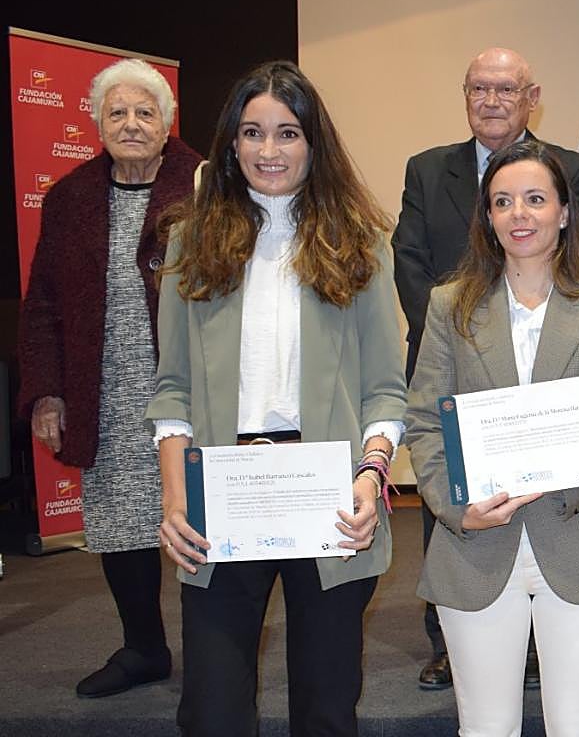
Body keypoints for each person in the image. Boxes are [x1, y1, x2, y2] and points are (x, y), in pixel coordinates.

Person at [148, 60, 407, 736]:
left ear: (313, 143)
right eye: (253, 132)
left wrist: (370, 477)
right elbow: (172, 389)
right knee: (213, 711)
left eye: (288, 132)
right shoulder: (190, 241)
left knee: (326, 707)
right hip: (223, 488)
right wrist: (176, 500)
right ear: (230, 143)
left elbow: (385, 390)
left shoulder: (361, 244)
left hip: (329, 491)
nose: (269, 149)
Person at [406, 139, 579, 736]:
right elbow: (426, 425)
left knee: (578, 727)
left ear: (564, 213)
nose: (519, 214)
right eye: (503, 201)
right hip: (474, 548)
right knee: (486, 728)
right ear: (487, 218)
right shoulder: (449, 307)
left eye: (535, 199)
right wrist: (459, 509)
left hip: (577, 542)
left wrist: (565, 484)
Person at [391, 46, 579, 689]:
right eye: (478, 88)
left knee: (544, 508)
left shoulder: (572, 168)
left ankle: (536, 641)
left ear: (532, 98)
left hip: (546, 369)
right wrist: (453, 337)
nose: (491, 100)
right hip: (456, 360)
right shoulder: (427, 169)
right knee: (453, 503)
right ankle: (448, 639)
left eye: (506, 89)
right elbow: (408, 260)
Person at [17, 58, 200, 698]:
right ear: (96, 122)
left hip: (194, 385)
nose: (130, 124)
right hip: (105, 388)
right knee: (121, 521)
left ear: (167, 121)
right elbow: (42, 300)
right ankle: (144, 647)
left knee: (207, 517)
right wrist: (47, 390)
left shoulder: (205, 185)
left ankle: (215, 651)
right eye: (116, 112)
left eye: (145, 112)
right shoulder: (69, 198)